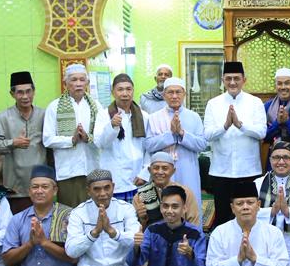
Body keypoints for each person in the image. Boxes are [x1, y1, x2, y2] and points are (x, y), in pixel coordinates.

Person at [65, 169, 142, 266]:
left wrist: (112, 232)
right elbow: (71, 251)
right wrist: (94, 233)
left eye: (107, 187)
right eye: (97, 189)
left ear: (113, 187)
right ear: (88, 191)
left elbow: (135, 240)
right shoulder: (78, 213)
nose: (103, 193)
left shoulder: (125, 208)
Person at [203, 60, 267, 227]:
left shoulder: (255, 102)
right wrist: (225, 126)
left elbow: (262, 132)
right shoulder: (213, 104)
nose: (232, 82)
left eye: (236, 78)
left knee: (249, 216)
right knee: (223, 217)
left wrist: (240, 125)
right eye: (228, 78)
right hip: (221, 171)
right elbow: (207, 135)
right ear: (223, 80)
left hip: (248, 170)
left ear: (244, 80)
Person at [142, 77, 206, 214]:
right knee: (166, 207)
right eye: (170, 92)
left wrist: (182, 133)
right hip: (162, 172)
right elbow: (148, 145)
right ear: (164, 95)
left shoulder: (194, 117)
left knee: (190, 204)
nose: (174, 96)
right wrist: (170, 135)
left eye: (178, 92)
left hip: (187, 168)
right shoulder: (154, 118)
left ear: (184, 94)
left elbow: (202, 144)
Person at [43, 63, 101, 208]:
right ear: (65, 84)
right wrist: (71, 140)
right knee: (69, 212)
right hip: (68, 171)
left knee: (94, 211)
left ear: (87, 83)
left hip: (92, 168)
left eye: (82, 80)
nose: (78, 84)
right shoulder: (54, 107)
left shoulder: (96, 106)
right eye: (74, 80)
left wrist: (88, 138)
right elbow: (47, 139)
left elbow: (103, 137)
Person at [0, 70, 47, 211]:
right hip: (15, 187)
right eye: (20, 92)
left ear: (34, 92)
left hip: (41, 184)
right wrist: (13, 143)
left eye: (28, 91)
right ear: (12, 94)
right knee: (18, 223)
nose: (25, 96)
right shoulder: (3, 117)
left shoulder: (44, 115)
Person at [93, 73, 148, 202]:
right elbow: (100, 143)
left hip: (139, 178)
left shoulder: (144, 116)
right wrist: (112, 126)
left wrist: (145, 172)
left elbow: (149, 147)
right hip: (115, 177)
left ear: (133, 91)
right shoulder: (104, 115)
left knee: (140, 213)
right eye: (120, 89)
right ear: (113, 92)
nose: (125, 93)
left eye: (128, 89)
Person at [133, 152, 202, 230]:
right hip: (152, 236)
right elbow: (136, 230)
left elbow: (193, 223)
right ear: (149, 170)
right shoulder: (140, 196)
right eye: (156, 168)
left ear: (173, 171)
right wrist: (142, 219)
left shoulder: (185, 192)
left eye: (165, 168)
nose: (160, 172)